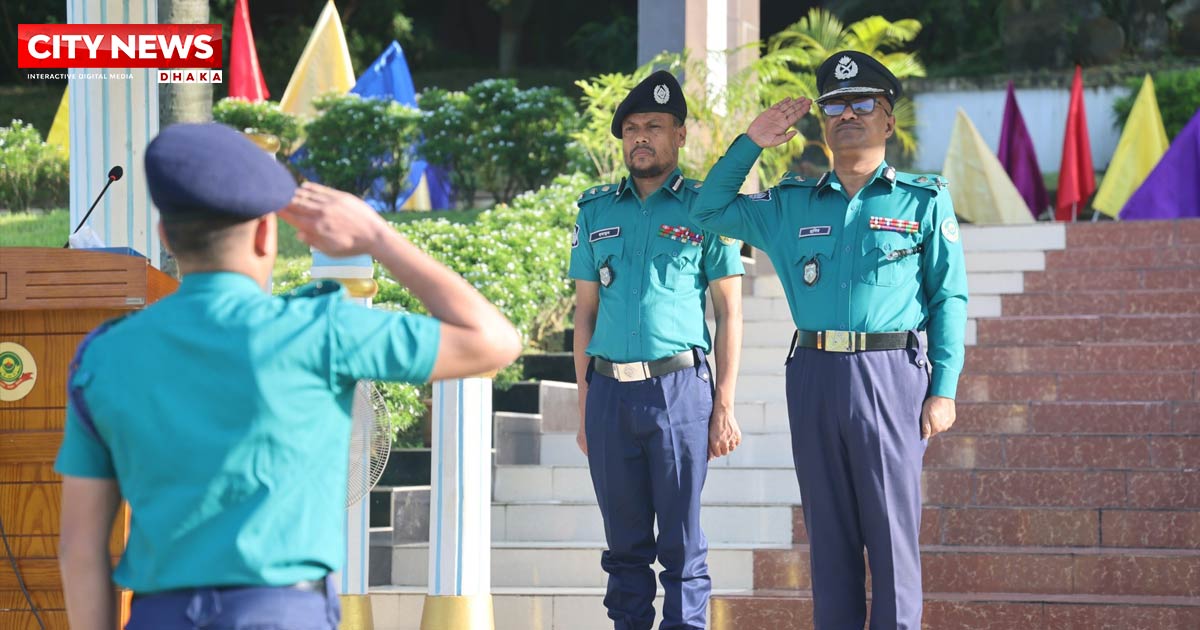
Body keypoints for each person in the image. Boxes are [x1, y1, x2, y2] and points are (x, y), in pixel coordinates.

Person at [54, 123, 522, 630]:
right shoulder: (321, 332)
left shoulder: (104, 356)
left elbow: (79, 548)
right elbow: (493, 341)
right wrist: (377, 236)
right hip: (281, 615)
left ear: (167, 237)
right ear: (264, 233)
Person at [691, 51, 969, 629]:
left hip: (891, 373)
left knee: (892, 536)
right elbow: (707, 209)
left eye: (863, 102)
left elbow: (949, 297)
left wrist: (943, 388)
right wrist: (751, 143)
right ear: (823, 121)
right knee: (830, 537)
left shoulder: (922, 199)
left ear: (887, 119)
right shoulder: (790, 205)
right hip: (815, 372)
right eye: (836, 104)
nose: (848, 113)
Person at [569, 70, 746, 630]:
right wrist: (583, 402)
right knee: (623, 549)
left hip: (678, 391)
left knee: (681, 545)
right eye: (631, 129)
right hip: (608, 396)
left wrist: (724, 404)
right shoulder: (596, 211)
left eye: (654, 126)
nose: (640, 137)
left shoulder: (706, 209)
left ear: (680, 135)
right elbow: (585, 312)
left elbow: (730, 312)